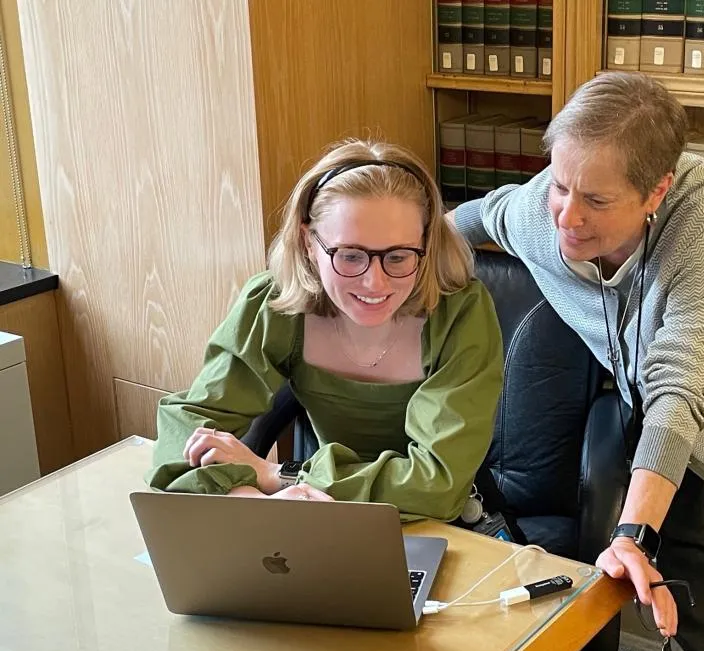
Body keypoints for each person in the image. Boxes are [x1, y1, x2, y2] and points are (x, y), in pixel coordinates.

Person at [449, 71, 704, 651]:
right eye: (560, 185)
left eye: (596, 201)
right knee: (682, 541)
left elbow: (680, 388)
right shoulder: (543, 211)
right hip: (662, 381)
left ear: (657, 191)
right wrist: (388, 265)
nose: (567, 216)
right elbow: (469, 221)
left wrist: (629, 533)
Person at [147, 139, 503, 524]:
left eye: (398, 256)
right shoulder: (274, 302)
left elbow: (437, 487)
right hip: (313, 513)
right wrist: (246, 496)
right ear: (308, 242)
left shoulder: (460, 314)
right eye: (350, 256)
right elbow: (186, 426)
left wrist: (278, 475)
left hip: (430, 525)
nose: (375, 282)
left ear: (426, 245)